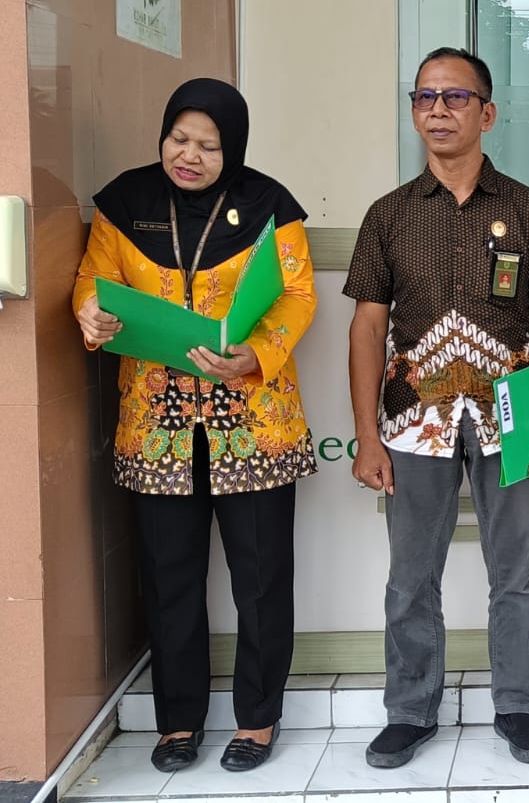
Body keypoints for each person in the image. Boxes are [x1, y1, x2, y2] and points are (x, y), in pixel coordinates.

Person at [345, 48, 529, 768]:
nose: (438, 109)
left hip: (513, 418)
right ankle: (411, 710)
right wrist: (366, 436)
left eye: (455, 96)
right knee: (410, 576)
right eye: (425, 96)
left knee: (517, 572)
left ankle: (518, 706)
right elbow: (366, 329)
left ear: (488, 113)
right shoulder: (387, 216)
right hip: (413, 418)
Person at [72, 78, 317, 772]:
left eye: (209, 145)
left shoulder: (269, 205)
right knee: (168, 576)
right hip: (158, 426)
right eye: (179, 139)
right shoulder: (124, 203)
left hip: (253, 423)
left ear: (232, 148)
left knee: (261, 579)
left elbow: (297, 295)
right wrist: (90, 313)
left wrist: (257, 352)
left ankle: (258, 719)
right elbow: (92, 280)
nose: (190, 155)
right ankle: (177, 721)